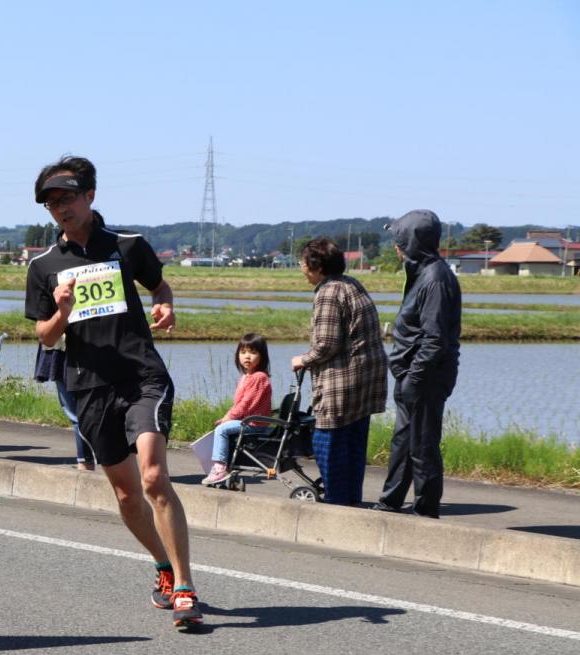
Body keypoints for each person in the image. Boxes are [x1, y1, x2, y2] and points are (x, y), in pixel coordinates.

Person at [25, 155, 203, 629]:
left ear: (90, 196)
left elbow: (160, 287)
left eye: (66, 197)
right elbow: (44, 335)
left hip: (142, 376)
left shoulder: (128, 246)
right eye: (51, 202)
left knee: (152, 477)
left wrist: (165, 307)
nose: (59, 207)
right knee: (127, 496)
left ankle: (185, 587)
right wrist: (61, 312)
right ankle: (164, 566)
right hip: (88, 386)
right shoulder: (45, 265)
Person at [372, 210, 462, 518]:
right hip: (411, 374)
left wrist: (414, 379)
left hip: (425, 377)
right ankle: (390, 502)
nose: (396, 247)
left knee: (422, 446)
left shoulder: (435, 279)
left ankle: (426, 511)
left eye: (399, 240)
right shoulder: (421, 273)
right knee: (403, 443)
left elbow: (435, 339)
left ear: (412, 243)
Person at [289, 238, 388, 506]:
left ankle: (336, 503)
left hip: (342, 381)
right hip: (366, 379)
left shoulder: (329, 292)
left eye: (302, 262)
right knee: (353, 444)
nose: (301, 267)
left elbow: (326, 344)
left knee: (328, 442)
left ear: (315, 266)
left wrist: (303, 359)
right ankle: (349, 501)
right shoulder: (351, 283)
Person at [202, 333, 273, 486]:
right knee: (223, 427)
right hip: (248, 421)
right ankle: (225, 466)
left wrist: (228, 419)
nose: (247, 356)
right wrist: (227, 416)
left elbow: (246, 404)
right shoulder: (246, 376)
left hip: (255, 424)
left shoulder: (259, 377)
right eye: (243, 352)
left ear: (262, 356)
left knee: (222, 430)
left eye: (253, 353)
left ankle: (220, 468)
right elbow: (238, 404)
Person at [33, 342, 94, 470]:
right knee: (78, 415)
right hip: (62, 348)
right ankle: (84, 463)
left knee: (78, 416)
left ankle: (85, 464)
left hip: (73, 348)